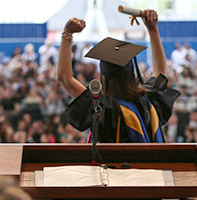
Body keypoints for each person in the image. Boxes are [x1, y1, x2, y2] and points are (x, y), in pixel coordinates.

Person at [58, 10, 179, 143]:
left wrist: (67, 34)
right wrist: (152, 29)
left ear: (103, 77)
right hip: (147, 164)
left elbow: (64, 78)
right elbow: (160, 71)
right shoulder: (148, 100)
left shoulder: (102, 106)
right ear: (132, 74)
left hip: (110, 164)